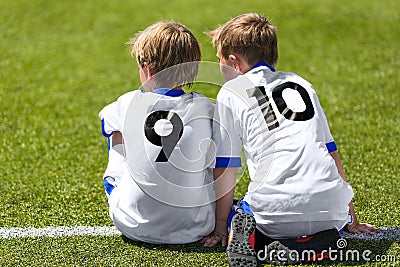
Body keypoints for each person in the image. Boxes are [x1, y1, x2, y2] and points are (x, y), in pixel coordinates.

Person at [201, 13, 377, 265]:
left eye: (218, 59)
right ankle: (317, 242)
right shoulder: (301, 83)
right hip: (331, 210)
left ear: (234, 61)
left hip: (274, 212)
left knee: (239, 213)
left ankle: (258, 240)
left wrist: (220, 228)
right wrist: (351, 217)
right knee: (317, 217)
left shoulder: (231, 92)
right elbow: (331, 154)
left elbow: (227, 166)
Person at [98, 21, 216, 244]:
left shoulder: (128, 102)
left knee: (115, 131)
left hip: (132, 224)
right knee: (210, 148)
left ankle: (127, 193)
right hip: (197, 227)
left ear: (147, 69)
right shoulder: (206, 107)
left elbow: (104, 117)